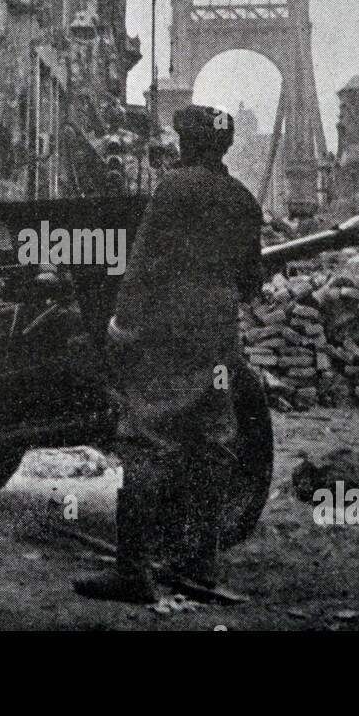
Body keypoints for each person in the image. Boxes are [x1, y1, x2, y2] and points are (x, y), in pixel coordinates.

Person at [74, 104, 262, 604]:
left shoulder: (175, 189)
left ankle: (133, 573)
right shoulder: (244, 200)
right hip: (220, 339)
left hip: (168, 335)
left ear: (188, 143)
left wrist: (120, 324)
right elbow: (251, 281)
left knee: (149, 440)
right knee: (213, 443)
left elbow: (146, 262)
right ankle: (200, 566)